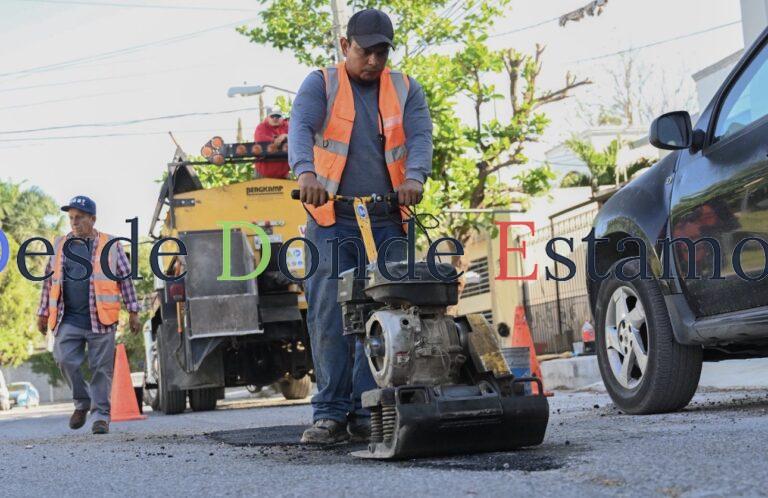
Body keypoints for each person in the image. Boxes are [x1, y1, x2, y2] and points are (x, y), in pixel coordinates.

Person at [289, 8, 433, 444]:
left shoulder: (406, 88)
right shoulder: (322, 83)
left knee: (385, 314)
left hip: (388, 219)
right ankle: (330, 413)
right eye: (364, 50)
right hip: (333, 218)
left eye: (381, 52)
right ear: (344, 46)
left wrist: (414, 179)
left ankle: (367, 409)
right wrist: (305, 174)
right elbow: (301, 126)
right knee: (332, 313)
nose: (373, 60)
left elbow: (421, 137)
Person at [36, 195, 141, 435]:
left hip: (101, 319)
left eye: (80, 218)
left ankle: (101, 416)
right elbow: (48, 282)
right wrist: (42, 313)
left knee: (101, 369)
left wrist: (133, 311)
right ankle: (82, 403)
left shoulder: (111, 245)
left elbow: (125, 280)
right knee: (63, 358)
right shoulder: (60, 245)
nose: (74, 222)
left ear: (92, 219)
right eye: (71, 218)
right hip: (68, 318)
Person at [254, 109, 290, 178]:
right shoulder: (261, 127)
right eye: (272, 116)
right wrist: (275, 140)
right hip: (262, 173)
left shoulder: (287, 127)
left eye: (277, 116)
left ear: (282, 118)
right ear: (267, 118)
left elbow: (296, 137)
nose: (275, 118)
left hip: (283, 173)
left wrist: (286, 136)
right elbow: (260, 139)